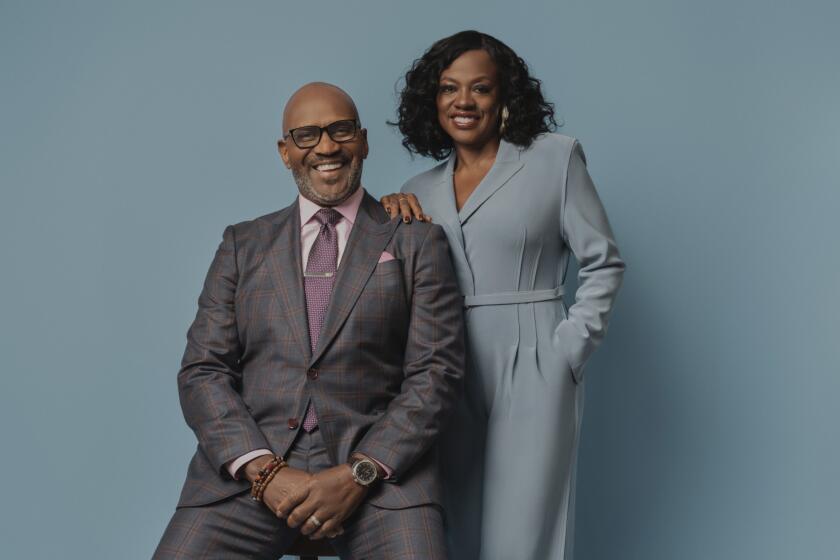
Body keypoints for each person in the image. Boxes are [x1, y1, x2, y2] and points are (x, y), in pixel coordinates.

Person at [154, 82, 465, 559]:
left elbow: (436, 372)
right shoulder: (242, 245)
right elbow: (203, 371)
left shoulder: (415, 241)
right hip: (255, 477)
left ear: (362, 141)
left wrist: (360, 472)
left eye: (341, 131)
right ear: (285, 151)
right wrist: (264, 471)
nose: (326, 146)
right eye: (307, 135)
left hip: (383, 476)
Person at [381, 30, 626, 560]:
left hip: (534, 354)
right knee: (455, 525)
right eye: (449, 88)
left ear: (504, 96)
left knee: (524, 532)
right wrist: (387, 218)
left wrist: (568, 352)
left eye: (480, 89)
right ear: (433, 99)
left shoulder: (553, 160)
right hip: (443, 364)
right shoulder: (419, 189)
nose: (463, 102)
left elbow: (604, 261)